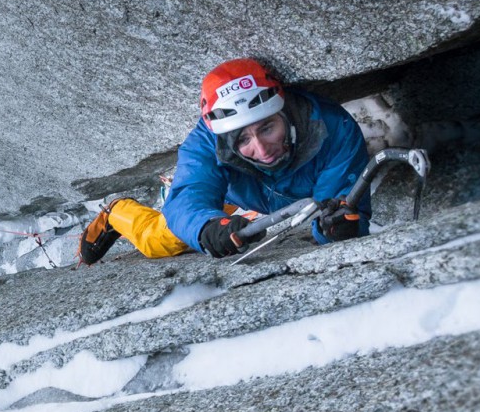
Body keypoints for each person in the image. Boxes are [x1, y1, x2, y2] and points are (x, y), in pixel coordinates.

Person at [79, 58, 371, 264]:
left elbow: (339, 205)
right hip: (230, 194)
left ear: (285, 112)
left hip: (269, 199)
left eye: (267, 128)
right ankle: (118, 213)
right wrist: (208, 227)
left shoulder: (332, 130)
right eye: (243, 140)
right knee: (159, 241)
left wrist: (339, 227)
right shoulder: (205, 143)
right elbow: (187, 200)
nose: (261, 148)